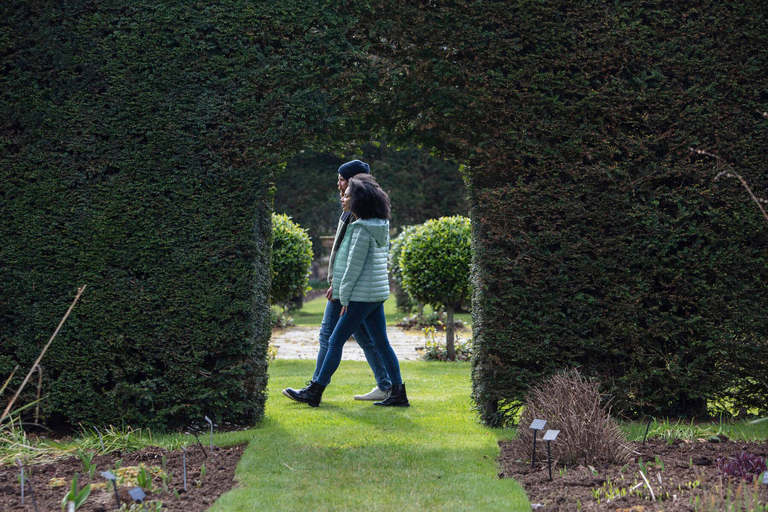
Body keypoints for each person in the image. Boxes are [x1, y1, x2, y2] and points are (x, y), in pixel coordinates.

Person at [283, 174, 409, 407]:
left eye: (348, 195)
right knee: (381, 343)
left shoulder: (361, 230)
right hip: (374, 295)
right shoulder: (380, 225)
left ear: (358, 200)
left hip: (360, 297)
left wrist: (345, 300)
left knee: (334, 340)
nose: (343, 198)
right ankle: (398, 393)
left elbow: (353, 269)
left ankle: (315, 390)